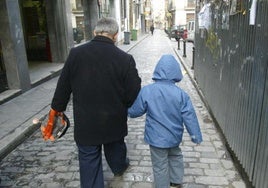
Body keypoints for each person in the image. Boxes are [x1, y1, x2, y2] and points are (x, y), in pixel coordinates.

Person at [50, 17, 141, 188]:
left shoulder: (76, 54)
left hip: (86, 121)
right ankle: (119, 167)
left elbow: (63, 85)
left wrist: (58, 109)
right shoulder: (125, 58)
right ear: (115, 36)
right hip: (114, 118)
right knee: (115, 146)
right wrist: (125, 105)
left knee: (89, 158)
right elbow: (134, 89)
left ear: (94, 32)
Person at [128, 54, 202, 188]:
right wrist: (195, 136)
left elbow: (136, 111)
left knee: (159, 165)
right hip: (174, 136)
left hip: (156, 138)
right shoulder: (181, 94)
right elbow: (189, 116)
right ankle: (176, 181)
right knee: (176, 156)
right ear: (176, 72)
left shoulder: (148, 91)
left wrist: (128, 112)